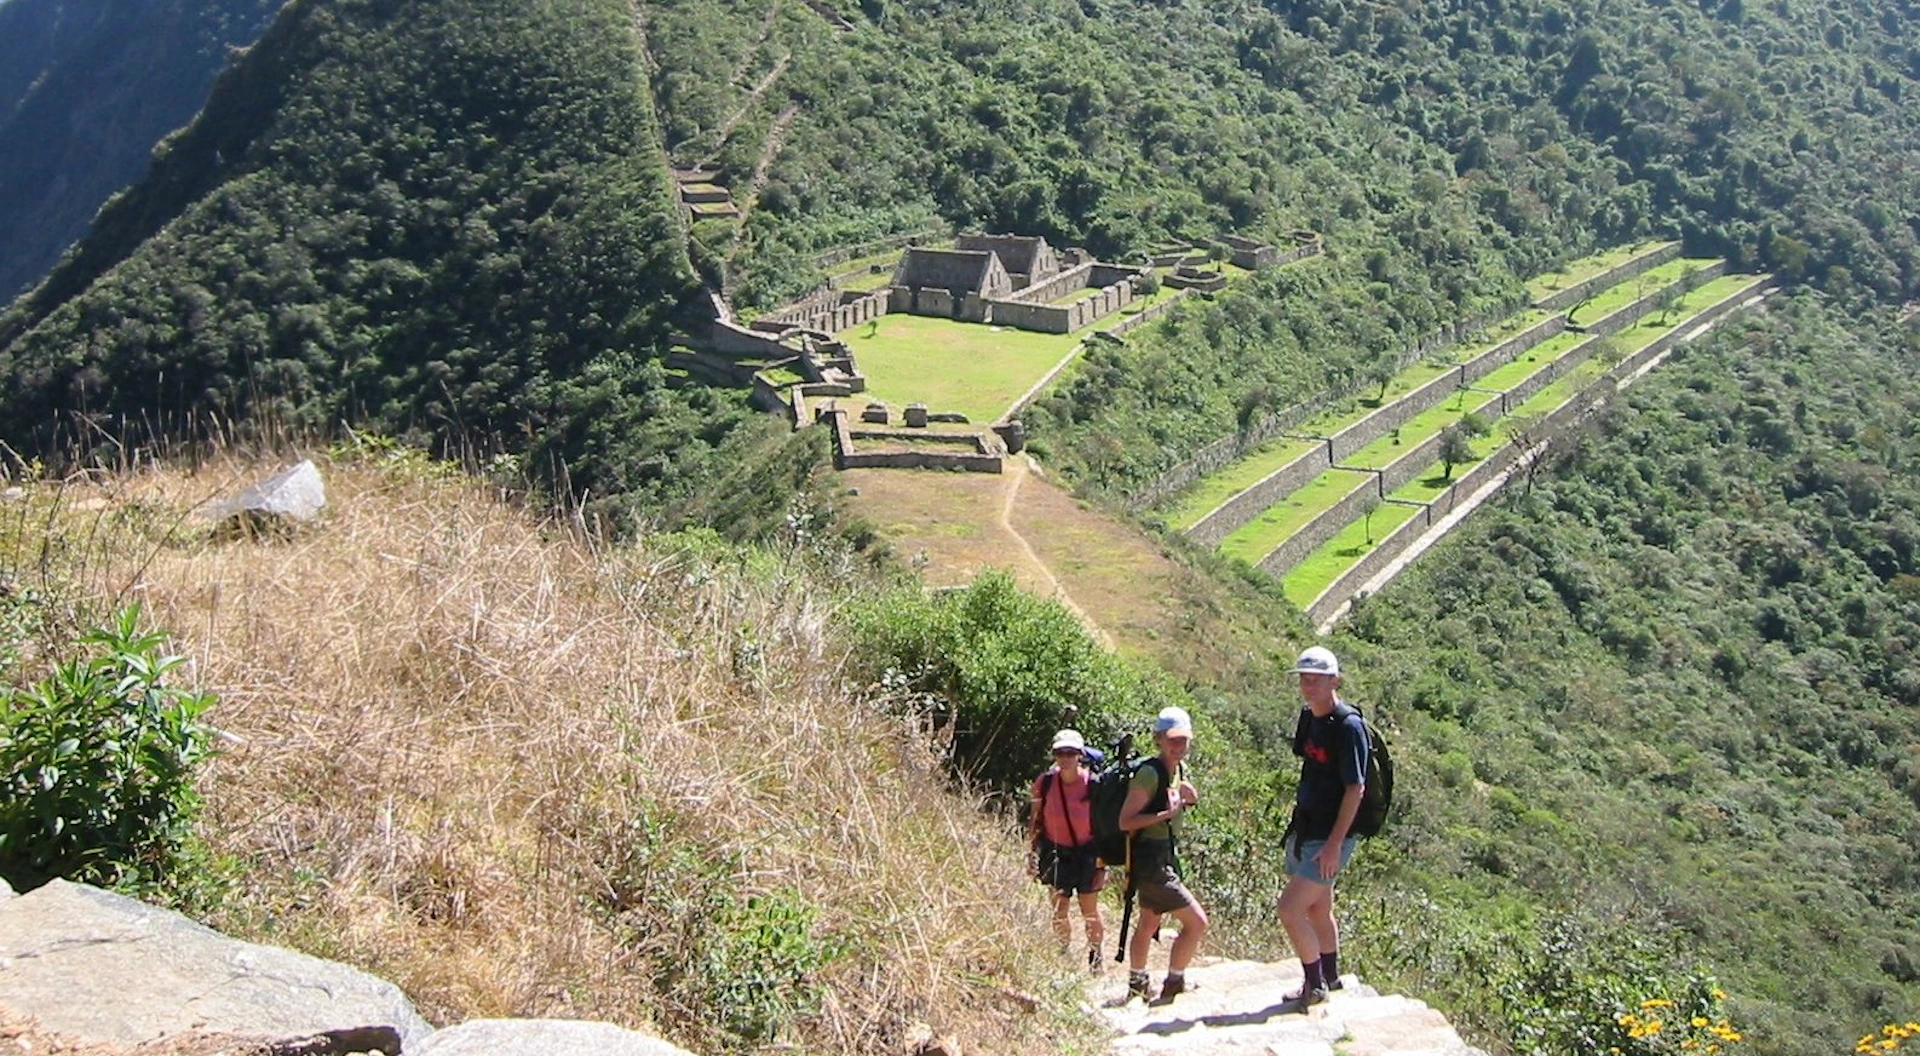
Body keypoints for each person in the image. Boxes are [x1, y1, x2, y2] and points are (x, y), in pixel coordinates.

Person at [1277, 645, 1369, 1010]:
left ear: (1335, 680)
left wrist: (1334, 845)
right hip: (1308, 827)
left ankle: (1314, 986)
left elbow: (1355, 788)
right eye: (1304, 678)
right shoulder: (1309, 718)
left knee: (1289, 910)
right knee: (1317, 909)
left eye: (1316, 679)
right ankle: (1330, 976)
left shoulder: (1349, 727)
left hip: (1331, 836)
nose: (1308, 685)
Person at [1119, 706, 1208, 1002]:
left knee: (1148, 922)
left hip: (1163, 856)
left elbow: (1172, 807)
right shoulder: (1149, 774)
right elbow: (1126, 821)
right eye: (1172, 739)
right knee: (1197, 923)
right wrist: (1165, 813)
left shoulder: (1177, 770)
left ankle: (1138, 982)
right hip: (1151, 860)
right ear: (1158, 739)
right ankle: (1174, 981)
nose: (1178, 746)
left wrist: (1188, 801)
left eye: (1183, 740)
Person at [1028, 729, 1106, 968]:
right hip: (1055, 852)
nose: (1065, 758)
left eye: (1070, 753)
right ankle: (1063, 954)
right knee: (1059, 909)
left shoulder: (1093, 785)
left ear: (1080, 755)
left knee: (1089, 909)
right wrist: (1031, 852)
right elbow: (1035, 819)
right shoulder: (1046, 782)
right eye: (1060, 753)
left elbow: (1104, 824)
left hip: (1087, 855)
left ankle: (1095, 956)